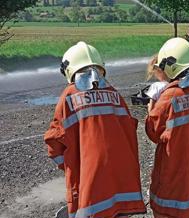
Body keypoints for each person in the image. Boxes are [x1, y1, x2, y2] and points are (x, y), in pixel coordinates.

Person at [44, 41, 146, 218]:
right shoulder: (115, 94)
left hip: (91, 186)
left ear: (69, 69)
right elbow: (130, 131)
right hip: (123, 181)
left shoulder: (68, 97)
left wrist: (71, 165)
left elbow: (54, 144)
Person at [145, 37, 189, 218]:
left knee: (165, 210)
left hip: (174, 172)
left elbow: (153, 132)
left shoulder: (169, 97)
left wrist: (151, 105)